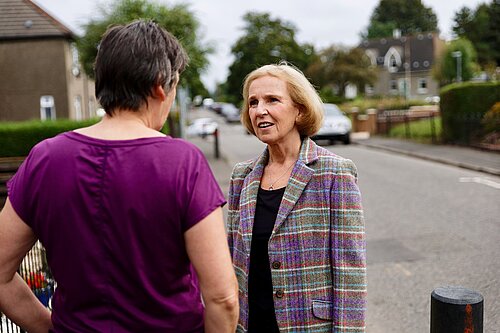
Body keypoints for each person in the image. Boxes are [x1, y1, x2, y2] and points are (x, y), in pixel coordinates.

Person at [0, 20, 238, 333]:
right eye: (174, 86)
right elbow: (222, 298)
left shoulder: (44, 158)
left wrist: (49, 327)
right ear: (158, 85)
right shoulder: (183, 163)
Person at [227, 62, 366, 332]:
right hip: (250, 324)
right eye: (253, 102)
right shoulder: (241, 176)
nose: (259, 110)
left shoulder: (334, 173)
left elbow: (351, 272)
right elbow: (234, 260)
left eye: (272, 100)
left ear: (299, 110)